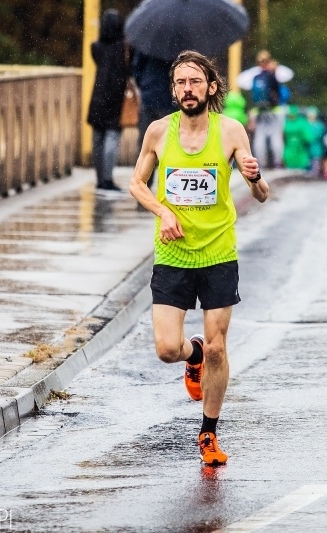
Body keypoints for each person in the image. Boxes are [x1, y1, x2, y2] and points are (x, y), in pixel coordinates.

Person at [129, 50, 270, 466]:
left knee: (218, 349)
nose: (187, 89)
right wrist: (162, 210)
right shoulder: (158, 132)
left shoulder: (230, 132)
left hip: (218, 253)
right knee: (166, 349)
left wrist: (256, 176)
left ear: (210, 87)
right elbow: (136, 184)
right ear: (173, 91)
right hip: (172, 254)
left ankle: (208, 434)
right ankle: (191, 356)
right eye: (180, 83)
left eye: (194, 82)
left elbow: (261, 195)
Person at [87, 9, 129, 193]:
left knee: (98, 138)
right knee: (112, 137)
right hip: (117, 96)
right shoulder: (125, 48)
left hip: (98, 96)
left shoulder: (96, 47)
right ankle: (108, 179)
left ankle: (99, 178)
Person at [131, 49, 174, 187]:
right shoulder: (180, 42)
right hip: (170, 101)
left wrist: (144, 84)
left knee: (146, 144)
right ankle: (171, 188)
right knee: (172, 147)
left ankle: (143, 187)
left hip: (149, 97)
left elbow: (136, 69)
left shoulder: (147, 43)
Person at [249, 50, 283, 169]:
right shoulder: (272, 75)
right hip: (273, 110)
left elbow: (253, 97)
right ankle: (277, 162)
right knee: (275, 138)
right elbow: (279, 93)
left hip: (260, 110)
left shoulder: (256, 77)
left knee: (260, 137)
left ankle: (261, 163)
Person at [282, 105, 310, 170]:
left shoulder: (300, 122)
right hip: (291, 153)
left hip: (299, 152)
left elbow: (308, 138)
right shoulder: (287, 123)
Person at [305, 107, 325, 177]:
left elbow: (319, 135)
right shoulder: (305, 124)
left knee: (315, 169)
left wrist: (309, 138)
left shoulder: (319, 125)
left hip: (316, 150)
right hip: (306, 151)